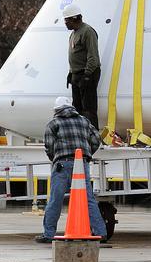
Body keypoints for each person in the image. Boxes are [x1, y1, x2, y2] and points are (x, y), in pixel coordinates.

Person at [37, 96, 107, 243]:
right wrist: (85, 155)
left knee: (56, 200)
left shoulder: (54, 124)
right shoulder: (84, 121)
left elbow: (49, 147)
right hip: (81, 164)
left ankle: (49, 234)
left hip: (62, 164)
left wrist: (55, 158)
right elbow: (96, 140)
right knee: (88, 199)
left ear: (56, 110)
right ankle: (100, 233)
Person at [63, 3, 101, 129]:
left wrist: (87, 75)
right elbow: (75, 54)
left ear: (75, 18)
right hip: (77, 74)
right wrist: (71, 72)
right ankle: (79, 133)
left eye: (67, 20)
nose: (65, 23)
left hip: (87, 74)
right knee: (77, 107)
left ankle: (92, 135)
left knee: (88, 108)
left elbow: (93, 56)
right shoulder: (74, 33)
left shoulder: (87, 31)